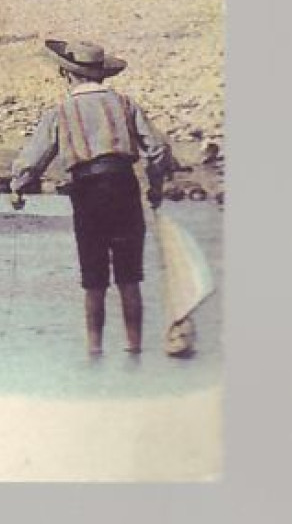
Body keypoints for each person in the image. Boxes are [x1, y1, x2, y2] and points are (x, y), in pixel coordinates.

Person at [10, 39, 174, 358]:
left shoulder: (60, 110)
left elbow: (35, 156)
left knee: (93, 277)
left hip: (87, 193)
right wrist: (155, 186)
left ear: (65, 74)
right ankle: (134, 350)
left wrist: (18, 186)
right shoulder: (125, 104)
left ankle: (95, 351)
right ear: (102, 74)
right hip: (124, 186)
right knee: (130, 276)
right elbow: (157, 148)